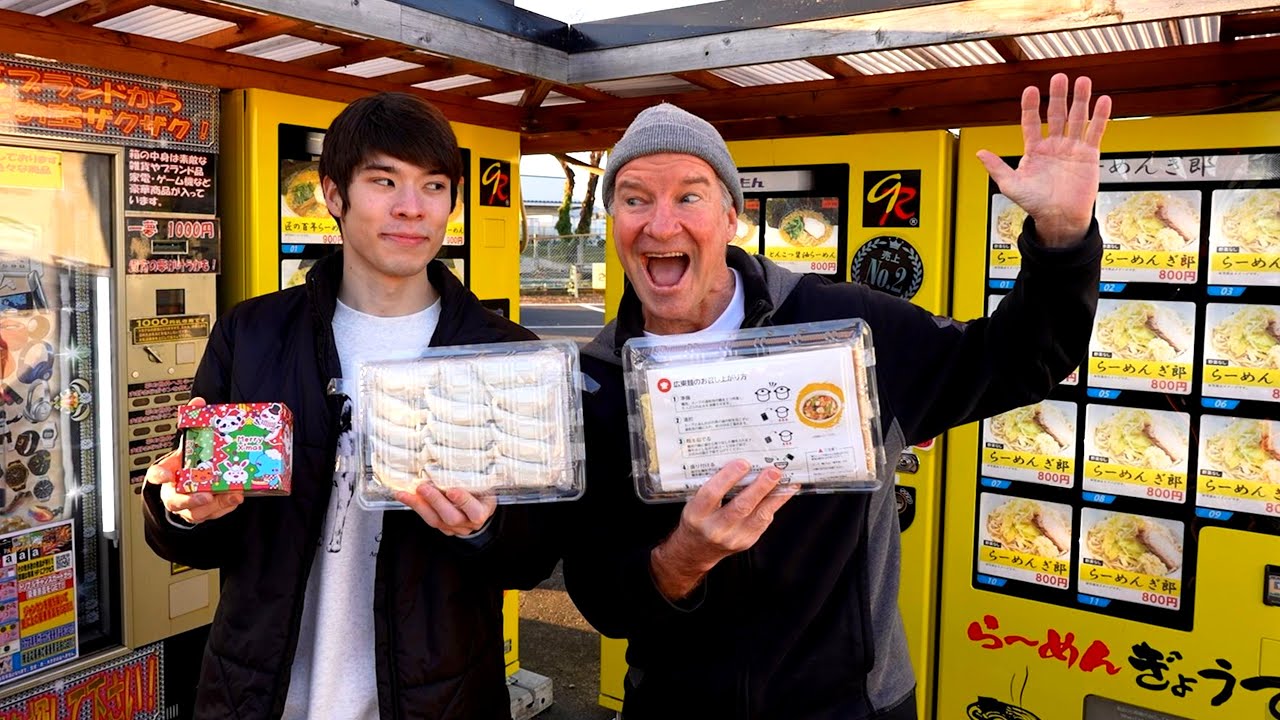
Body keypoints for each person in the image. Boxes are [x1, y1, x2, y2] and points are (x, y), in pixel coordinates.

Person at [562, 73, 1110, 719]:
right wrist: (688, 555)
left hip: (852, 703)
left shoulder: (839, 323)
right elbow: (603, 598)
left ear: (731, 216)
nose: (660, 222)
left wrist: (1062, 240)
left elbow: (1019, 360)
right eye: (633, 199)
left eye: (689, 195)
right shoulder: (596, 378)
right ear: (613, 221)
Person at [143, 92, 557, 720]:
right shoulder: (251, 334)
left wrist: (485, 528)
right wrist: (180, 511)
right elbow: (198, 529)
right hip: (260, 694)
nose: (411, 208)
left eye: (434, 185)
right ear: (333, 194)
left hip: (438, 699)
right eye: (383, 181)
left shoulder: (504, 353)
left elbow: (533, 557)